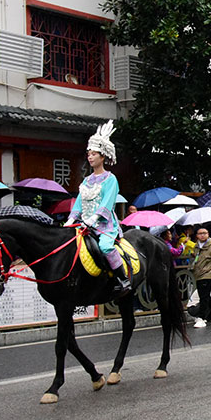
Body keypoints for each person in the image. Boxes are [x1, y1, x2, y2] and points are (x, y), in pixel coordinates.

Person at [66, 120, 132, 296]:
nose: (90, 157)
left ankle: (122, 279)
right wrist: (71, 219)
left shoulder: (110, 179)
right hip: (83, 225)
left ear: (102, 156)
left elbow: (107, 203)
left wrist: (94, 219)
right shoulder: (86, 180)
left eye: (94, 153)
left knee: (105, 248)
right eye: (88, 153)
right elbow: (79, 202)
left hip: (104, 226)